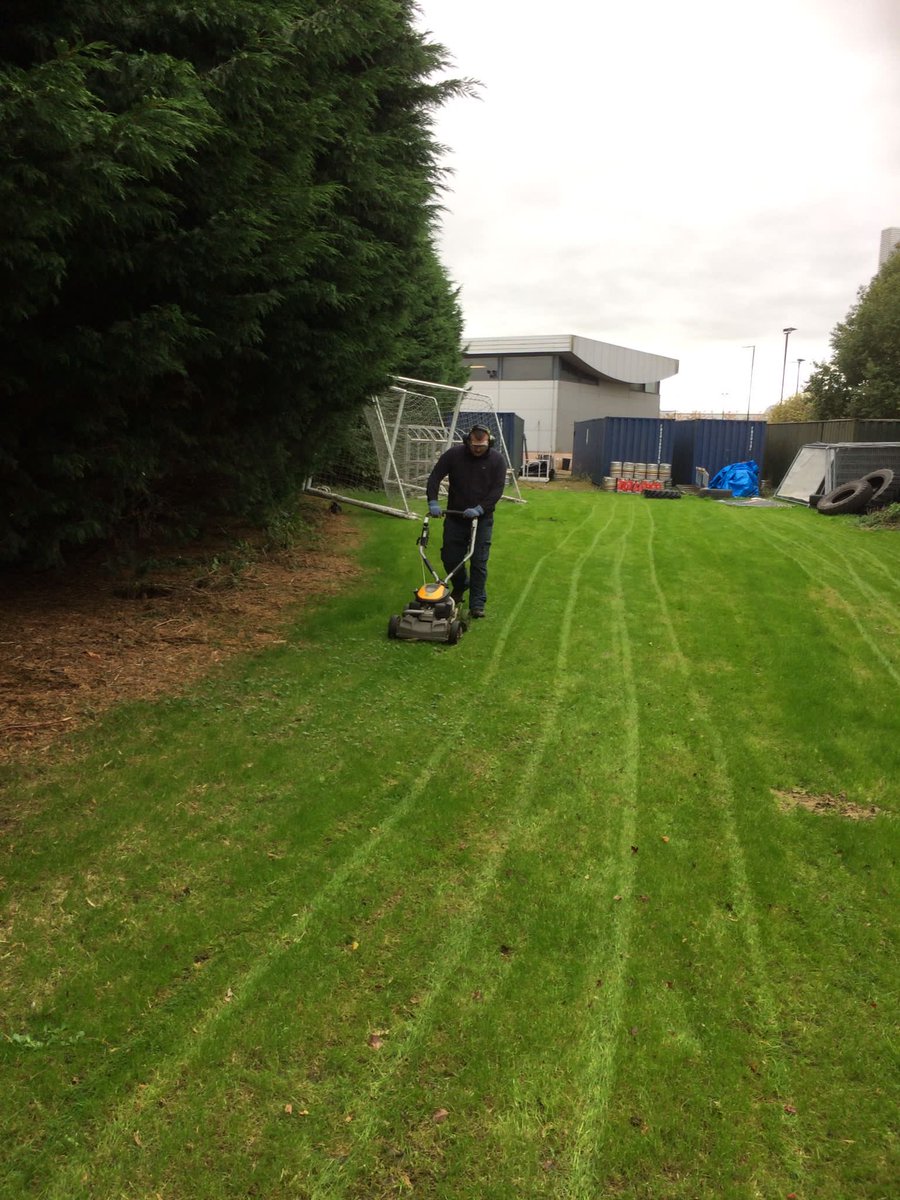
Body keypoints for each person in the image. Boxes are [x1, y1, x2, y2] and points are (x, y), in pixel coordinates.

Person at [425, 424, 507, 618]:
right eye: (474, 445)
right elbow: (435, 477)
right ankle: (461, 585)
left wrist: (480, 509)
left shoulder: (497, 460)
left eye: (482, 446)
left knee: (478, 561)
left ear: (489, 443)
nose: (477, 449)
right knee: (450, 557)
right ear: (468, 441)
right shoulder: (454, 455)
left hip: (482, 518)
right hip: (455, 516)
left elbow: (497, 490)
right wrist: (433, 501)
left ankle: (477, 604)